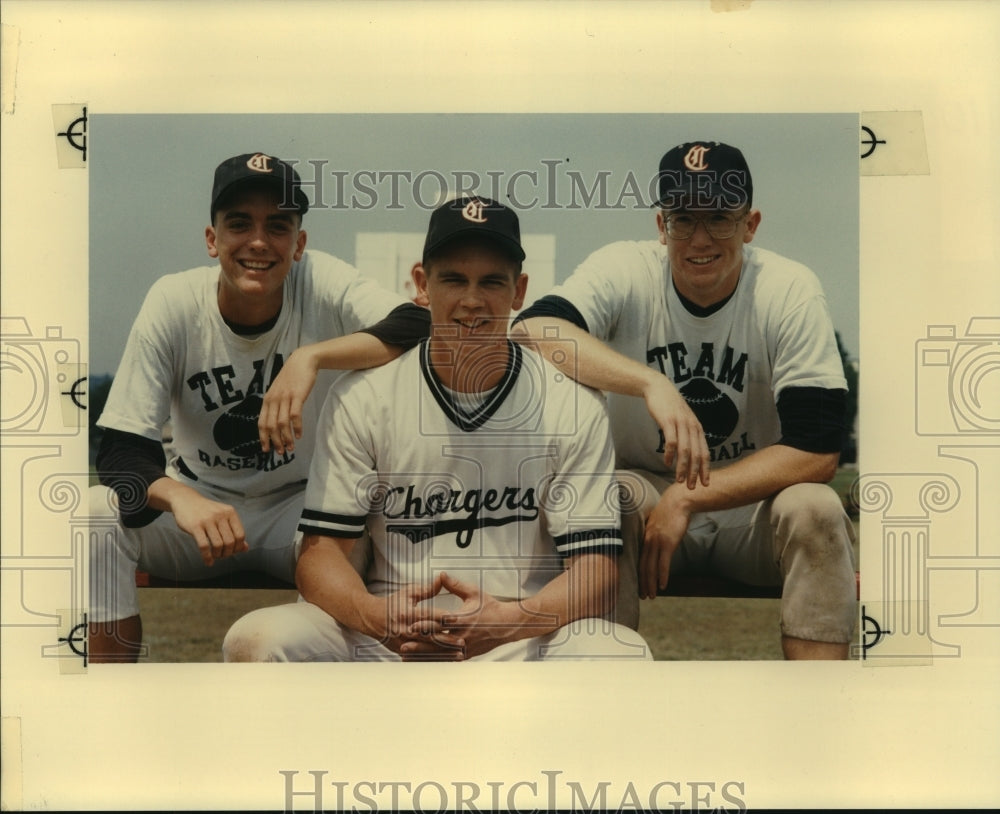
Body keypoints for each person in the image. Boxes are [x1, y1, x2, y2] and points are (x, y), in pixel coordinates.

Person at [223, 196, 651, 662]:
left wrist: (512, 621)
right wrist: (374, 615)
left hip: (517, 637)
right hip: (388, 635)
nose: (472, 300)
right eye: (453, 279)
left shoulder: (572, 403)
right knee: (261, 638)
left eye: (491, 282)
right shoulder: (364, 395)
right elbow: (321, 554)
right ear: (422, 285)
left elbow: (595, 568)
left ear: (520, 291)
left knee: (619, 654)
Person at [511, 141, 857, 660]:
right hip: (645, 500)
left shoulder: (787, 289)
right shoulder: (626, 269)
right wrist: (653, 384)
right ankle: (599, 693)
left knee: (817, 507)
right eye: (682, 219)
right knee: (607, 497)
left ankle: (817, 709)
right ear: (660, 225)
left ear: (750, 224)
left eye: (719, 217)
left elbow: (818, 449)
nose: (699, 238)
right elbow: (533, 329)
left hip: (752, 506)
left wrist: (691, 495)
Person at [89, 152, 430, 662]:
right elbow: (120, 452)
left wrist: (309, 356)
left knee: (363, 533)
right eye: (239, 223)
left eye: (278, 226)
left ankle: (316, 692)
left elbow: (417, 324)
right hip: (197, 509)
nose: (258, 241)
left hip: (298, 512)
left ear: (299, 244)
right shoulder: (175, 300)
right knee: (93, 513)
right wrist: (182, 500)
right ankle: (108, 702)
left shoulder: (319, 280)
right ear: (212, 239)